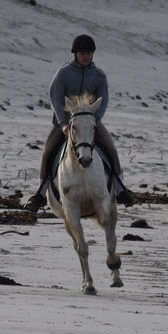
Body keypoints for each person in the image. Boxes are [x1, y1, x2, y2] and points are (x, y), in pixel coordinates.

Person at [25, 34, 137, 209]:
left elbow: (104, 100)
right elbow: (55, 97)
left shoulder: (99, 75)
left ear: (92, 54)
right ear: (75, 53)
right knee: (47, 152)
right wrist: (63, 122)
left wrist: (93, 121)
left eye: (88, 53)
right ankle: (40, 193)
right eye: (82, 53)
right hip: (64, 123)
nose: (85, 56)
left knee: (111, 150)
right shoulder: (63, 73)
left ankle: (120, 189)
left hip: (90, 123)